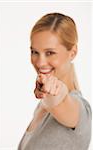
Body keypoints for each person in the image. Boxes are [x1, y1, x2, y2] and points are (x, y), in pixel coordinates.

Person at [18, 12, 92, 150]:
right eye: (34, 52)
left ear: (73, 52)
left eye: (50, 53)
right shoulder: (42, 106)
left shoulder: (79, 110)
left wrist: (51, 91)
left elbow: (60, 98)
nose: (40, 63)